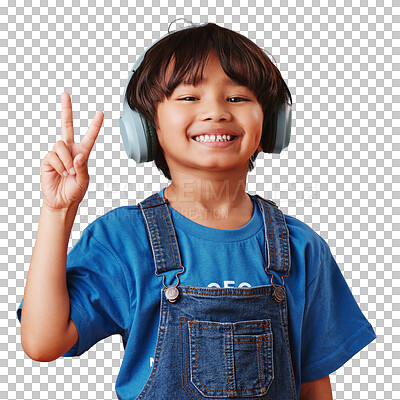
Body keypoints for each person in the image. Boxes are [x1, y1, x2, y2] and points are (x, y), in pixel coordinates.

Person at [16, 22, 376, 400]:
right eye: (189, 97)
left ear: (271, 124)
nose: (216, 112)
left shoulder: (301, 247)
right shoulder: (124, 239)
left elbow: (314, 386)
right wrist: (59, 211)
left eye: (237, 98)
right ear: (145, 127)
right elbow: (43, 343)